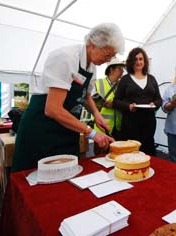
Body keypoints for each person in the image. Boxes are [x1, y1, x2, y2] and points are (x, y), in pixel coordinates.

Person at [11, 23, 125, 172]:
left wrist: (96, 114)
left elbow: (85, 96)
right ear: (92, 44)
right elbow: (52, 109)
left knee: (67, 180)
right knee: (35, 180)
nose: (109, 60)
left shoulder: (92, 67)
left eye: (112, 56)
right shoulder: (65, 58)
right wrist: (91, 132)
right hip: (43, 129)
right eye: (107, 54)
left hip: (67, 128)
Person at [113, 47, 162, 156]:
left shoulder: (152, 79)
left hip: (148, 122)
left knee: (148, 151)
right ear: (131, 62)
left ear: (145, 61)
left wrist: (154, 104)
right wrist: (128, 106)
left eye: (141, 59)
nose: (138, 62)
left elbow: (159, 99)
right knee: (131, 152)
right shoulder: (125, 80)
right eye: (135, 59)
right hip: (130, 122)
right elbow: (116, 101)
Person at [93, 58, 126, 155]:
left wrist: (116, 104)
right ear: (111, 70)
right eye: (120, 69)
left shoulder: (122, 85)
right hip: (102, 126)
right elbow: (91, 98)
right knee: (100, 155)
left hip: (118, 127)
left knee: (116, 154)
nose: (122, 72)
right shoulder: (98, 82)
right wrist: (104, 103)